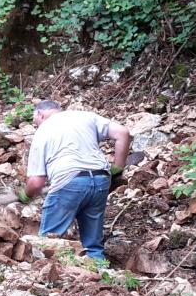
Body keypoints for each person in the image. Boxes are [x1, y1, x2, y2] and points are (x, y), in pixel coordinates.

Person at [20, 101, 130, 262]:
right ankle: (101, 273)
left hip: (68, 181)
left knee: (49, 242)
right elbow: (123, 133)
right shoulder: (84, 116)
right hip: (100, 179)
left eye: (34, 120)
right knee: (93, 244)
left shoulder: (42, 131)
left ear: (40, 114)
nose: (35, 124)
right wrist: (118, 167)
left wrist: (26, 195)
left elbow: (36, 183)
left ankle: (49, 277)